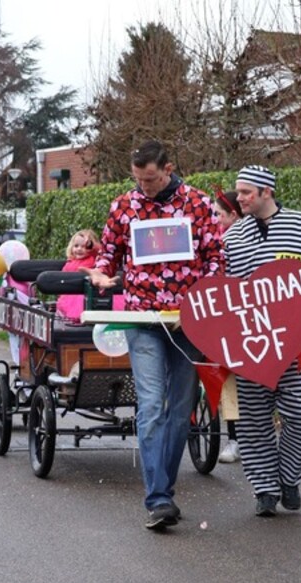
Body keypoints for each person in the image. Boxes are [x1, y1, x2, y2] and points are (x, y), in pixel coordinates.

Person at [86, 140, 223, 531]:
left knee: (180, 409)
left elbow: (216, 256)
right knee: (150, 405)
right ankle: (158, 498)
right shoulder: (123, 206)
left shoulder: (197, 203)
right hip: (142, 319)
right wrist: (100, 273)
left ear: (168, 168)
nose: (144, 187)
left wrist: (206, 294)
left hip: (188, 321)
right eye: (138, 180)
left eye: (150, 179)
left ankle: (165, 487)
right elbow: (109, 253)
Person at [224, 166, 301, 516]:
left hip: (292, 347)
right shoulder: (233, 236)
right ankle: (265, 492)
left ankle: (288, 479)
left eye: (245, 192)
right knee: (253, 422)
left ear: (266, 192)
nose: (239, 198)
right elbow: (220, 288)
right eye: (238, 191)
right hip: (248, 345)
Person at [212, 190, 243, 464]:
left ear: (233, 215)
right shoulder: (218, 242)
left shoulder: (231, 243)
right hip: (228, 322)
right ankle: (235, 438)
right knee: (230, 381)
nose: (214, 220)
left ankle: (241, 439)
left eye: (218, 215)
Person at [56, 229, 103, 322]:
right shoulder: (69, 263)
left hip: (89, 294)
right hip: (71, 294)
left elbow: (100, 251)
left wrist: (92, 245)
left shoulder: (93, 259)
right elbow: (62, 280)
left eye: (84, 246)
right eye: (76, 246)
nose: (79, 249)